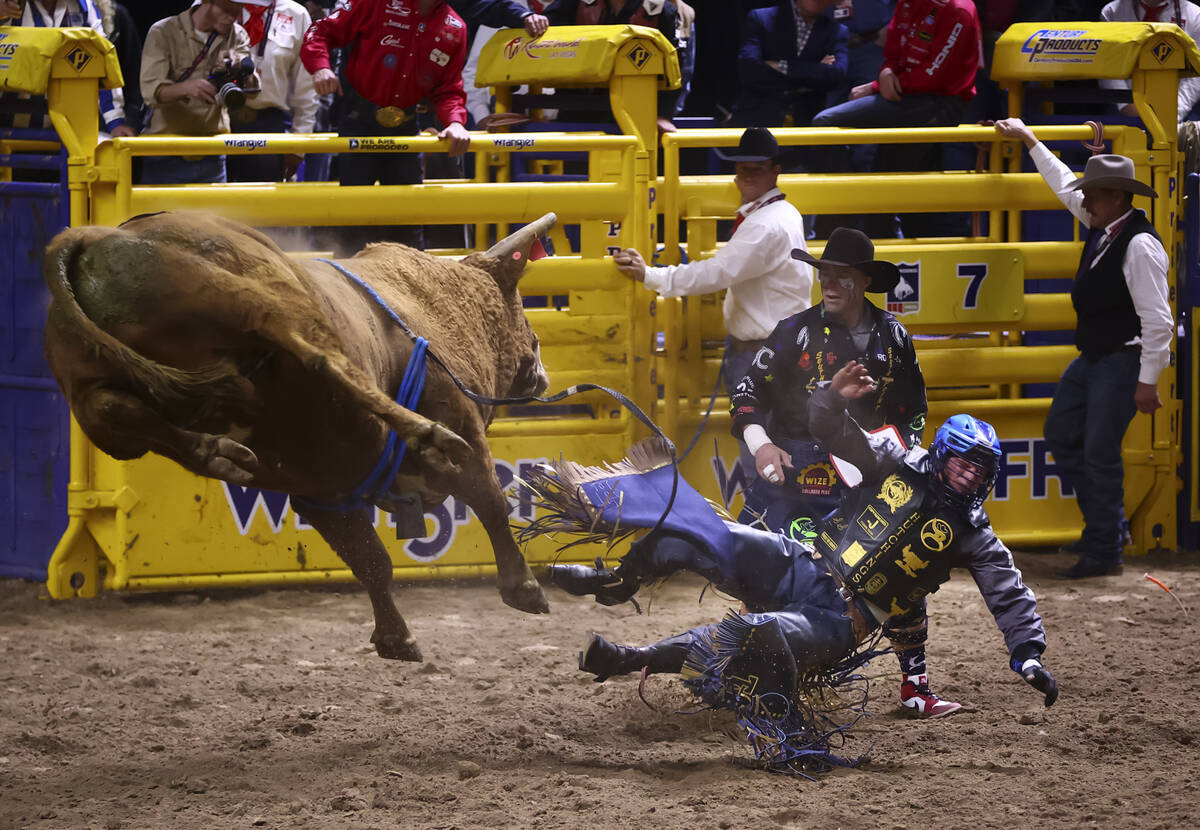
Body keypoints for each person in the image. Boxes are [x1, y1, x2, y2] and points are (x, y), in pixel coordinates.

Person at [533, 360, 1056, 769]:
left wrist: (1027, 652)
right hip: (803, 562)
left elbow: (1007, 592)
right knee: (701, 535)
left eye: (978, 470)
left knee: (754, 633)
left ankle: (630, 658)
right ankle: (616, 579)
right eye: (962, 464)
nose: (967, 477)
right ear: (942, 456)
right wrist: (831, 397)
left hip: (842, 618)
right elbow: (834, 431)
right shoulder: (896, 460)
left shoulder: (975, 535)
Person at [994, 118, 1174, 579]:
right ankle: (1106, 530)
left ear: (1114, 197)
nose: (1084, 199)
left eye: (1092, 193)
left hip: (1120, 357)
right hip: (1099, 356)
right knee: (1065, 435)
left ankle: (1103, 548)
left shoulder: (1138, 246)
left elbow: (1158, 321)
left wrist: (1148, 382)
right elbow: (1062, 187)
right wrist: (1033, 141)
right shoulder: (1109, 227)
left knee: (1097, 451)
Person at [612, 127, 813, 482]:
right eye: (743, 168)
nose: (747, 175)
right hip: (775, 354)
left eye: (756, 168)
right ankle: (781, 530)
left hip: (761, 357)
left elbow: (717, 272)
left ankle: (771, 530)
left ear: (774, 170)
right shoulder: (782, 215)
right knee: (776, 456)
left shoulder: (765, 225)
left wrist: (652, 276)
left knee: (763, 462)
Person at [731, 226, 926, 538]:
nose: (830, 285)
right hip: (794, 482)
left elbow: (913, 411)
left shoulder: (894, 336)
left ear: (866, 281)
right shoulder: (793, 332)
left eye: (843, 275)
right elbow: (746, 394)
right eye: (825, 274)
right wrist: (762, 445)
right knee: (755, 566)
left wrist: (898, 461)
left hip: (867, 484)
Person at [300, 0, 474, 254]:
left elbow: (449, 89)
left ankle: (407, 290)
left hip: (406, 133)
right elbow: (320, 32)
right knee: (353, 228)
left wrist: (456, 122)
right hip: (359, 125)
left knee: (408, 235)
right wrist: (321, 68)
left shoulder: (455, 28)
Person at [809, 0, 982, 238]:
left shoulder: (958, 9)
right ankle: (848, 225)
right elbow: (892, 54)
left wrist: (876, 86)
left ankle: (842, 221)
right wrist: (885, 74)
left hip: (940, 102)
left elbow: (934, 75)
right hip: (905, 97)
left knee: (826, 123)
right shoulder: (907, 3)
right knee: (888, 185)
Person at [139, 0, 257, 184]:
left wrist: (237, 69)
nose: (231, 17)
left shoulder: (237, 34)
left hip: (213, 153)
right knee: (159, 214)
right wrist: (187, 88)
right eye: (226, 9)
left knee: (214, 214)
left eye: (237, 11)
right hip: (166, 152)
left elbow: (251, 90)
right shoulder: (163, 31)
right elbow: (150, 92)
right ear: (206, 2)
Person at [0, 0, 137, 139]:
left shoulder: (85, 6)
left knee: (107, 149)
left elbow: (101, 59)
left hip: (68, 127)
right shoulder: (7, 4)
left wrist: (115, 121)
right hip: (8, 123)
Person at [224, 0, 320, 184]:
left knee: (260, 208)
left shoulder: (297, 14)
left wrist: (297, 146)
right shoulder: (215, 5)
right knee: (207, 208)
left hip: (268, 124)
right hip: (217, 121)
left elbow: (305, 86)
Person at [730, 0, 849, 129]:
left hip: (808, 125)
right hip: (757, 121)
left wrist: (780, 66)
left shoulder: (836, 31)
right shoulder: (761, 18)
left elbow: (836, 74)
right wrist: (813, 74)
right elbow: (749, 69)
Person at [1099, 0, 1200, 123]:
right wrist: (1125, 105)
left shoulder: (1195, 15)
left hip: (1179, 108)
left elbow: (1196, 74)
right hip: (1124, 108)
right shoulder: (1112, 12)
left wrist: (1174, 112)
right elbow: (1107, 63)